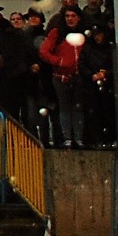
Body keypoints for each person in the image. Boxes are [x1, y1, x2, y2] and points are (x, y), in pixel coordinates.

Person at [38, 8, 89, 147]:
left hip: (80, 76)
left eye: (73, 16)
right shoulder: (57, 32)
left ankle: (78, 138)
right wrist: (58, 61)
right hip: (61, 76)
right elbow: (43, 51)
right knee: (65, 108)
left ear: (79, 18)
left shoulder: (85, 33)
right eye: (67, 16)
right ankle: (68, 138)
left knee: (78, 108)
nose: (70, 19)